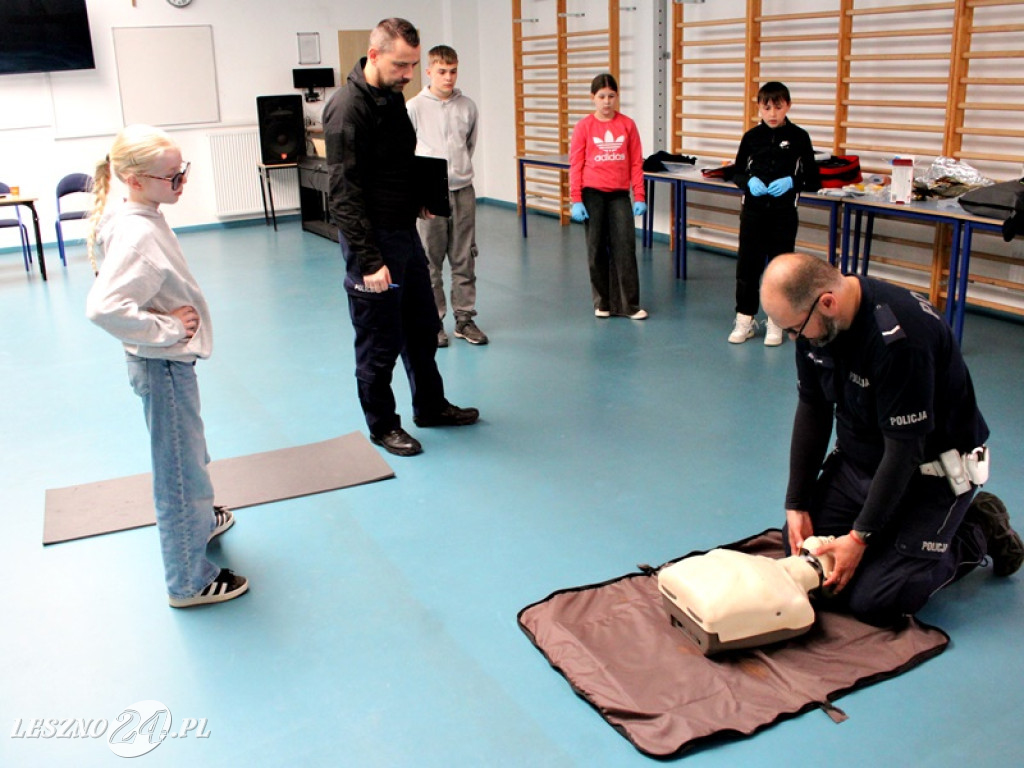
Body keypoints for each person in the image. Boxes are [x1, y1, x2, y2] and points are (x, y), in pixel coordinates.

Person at [760, 252, 1023, 627]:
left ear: (827, 303)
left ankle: (977, 529)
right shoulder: (814, 324)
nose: (793, 339)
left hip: (930, 476)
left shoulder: (901, 339)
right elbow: (813, 406)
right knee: (805, 552)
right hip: (861, 463)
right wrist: (797, 502)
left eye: (794, 331)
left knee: (876, 599)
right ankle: (890, 538)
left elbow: (904, 452)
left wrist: (861, 537)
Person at [85, 125, 248, 608]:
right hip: (163, 364)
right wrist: (170, 329)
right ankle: (188, 579)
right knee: (178, 469)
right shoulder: (138, 233)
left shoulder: (140, 211)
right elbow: (103, 308)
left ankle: (200, 522)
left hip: (166, 365)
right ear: (135, 179)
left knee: (189, 452)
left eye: (183, 173)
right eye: (171, 177)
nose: (181, 184)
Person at [323, 18, 479, 458]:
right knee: (379, 342)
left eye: (413, 65)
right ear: (374, 55)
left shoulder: (392, 99)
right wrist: (369, 261)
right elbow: (344, 193)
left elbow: (402, 163)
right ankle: (382, 426)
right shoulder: (346, 109)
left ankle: (430, 406)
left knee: (422, 328)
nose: (409, 74)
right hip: (371, 245)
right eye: (401, 64)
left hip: (405, 234)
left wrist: (422, 197)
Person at [407, 44, 487, 348]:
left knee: (464, 258)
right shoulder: (414, 106)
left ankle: (464, 319)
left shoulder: (467, 106)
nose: (448, 77)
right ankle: (434, 320)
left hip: (463, 190)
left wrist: (459, 172)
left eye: (453, 71)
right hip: (430, 193)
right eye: (442, 71)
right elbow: (408, 152)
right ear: (429, 72)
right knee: (430, 260)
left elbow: (469, 145)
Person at [729, 82, 820, 346]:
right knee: (748, 267)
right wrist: (748, 182)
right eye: (767, 107)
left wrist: (792, 181)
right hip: (753, 213)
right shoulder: (751, 137)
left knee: (780, 269)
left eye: (778, 107)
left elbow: (812, 177)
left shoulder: (800, 137)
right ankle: (744, 319)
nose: (772, 113)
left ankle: (777, 322)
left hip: (783, 214)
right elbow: (736, 172)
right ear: (759, 108)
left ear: (788, 106)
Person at [568, 73, 647, 320]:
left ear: (617, 97)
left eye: (611, 96)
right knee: (596, 248)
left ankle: (629, 305)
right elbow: (576, 164)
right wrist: (576, 199)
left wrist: (640, 195)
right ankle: (603, 302)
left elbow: (635, 162)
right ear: (593, 98)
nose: (606, 102)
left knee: (625, 247)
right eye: (601, 97)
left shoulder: (627, 125)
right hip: (592, 194)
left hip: (619, 195)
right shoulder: (584, 127)